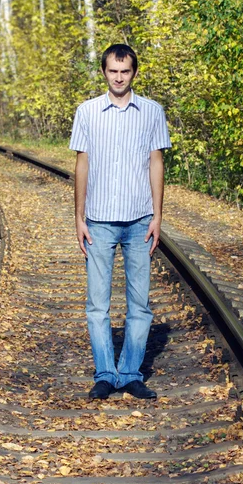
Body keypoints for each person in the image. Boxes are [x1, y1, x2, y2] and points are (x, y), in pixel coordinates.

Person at [70, 43, 171, 400]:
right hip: (98, 221)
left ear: (134, 73)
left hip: (140, 219)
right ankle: (104, 373)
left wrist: (158, 216)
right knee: (98, 304)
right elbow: (82, 164)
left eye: (124, 71)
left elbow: (156, 163)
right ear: (104, 72)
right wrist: (78, 217)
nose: (118, 77)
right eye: (113, 71)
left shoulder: (152, 112)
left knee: (139, 304)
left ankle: (129, 373)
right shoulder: (87, 112)